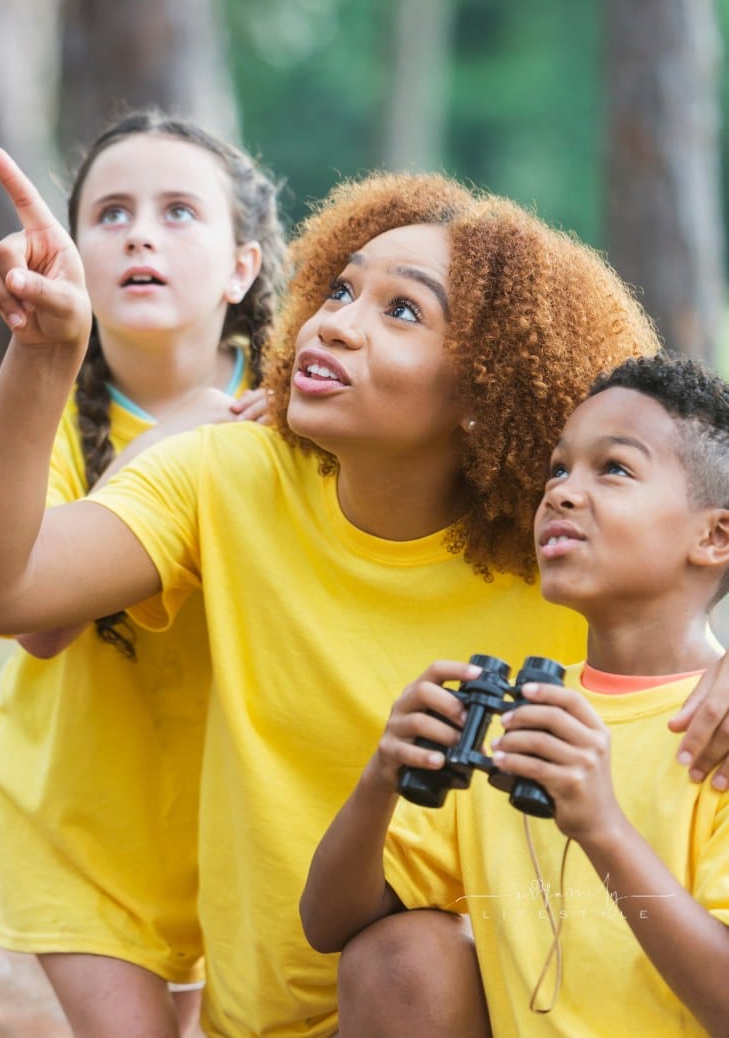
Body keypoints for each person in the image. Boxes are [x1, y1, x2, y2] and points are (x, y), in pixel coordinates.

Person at [0, 162, 729, 1038]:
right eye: (342, 289)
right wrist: (46, 356)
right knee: (396, 947)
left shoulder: (558, 545)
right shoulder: (226, 472)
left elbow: (686, 549)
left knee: (414, 948)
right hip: (280, 1000)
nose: (338, 324)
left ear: (486, 390)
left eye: (401, 310)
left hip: (484, 1008)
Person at [300, 352, 729, 1036]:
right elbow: (329, 925)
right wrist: (379, 779)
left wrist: (602, 827)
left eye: (613, 469)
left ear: (714, 537)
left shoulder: (718, 729)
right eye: (559, 469)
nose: (560, 492)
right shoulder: (516, 716)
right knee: (395, 951)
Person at [0, 109, 285, 1038]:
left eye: (179, 211)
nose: (140, 231)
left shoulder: (294, 407)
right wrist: (181, 435)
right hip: (79, 817)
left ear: (242, 266)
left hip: (241, 819)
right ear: (73, 253)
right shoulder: (45, 414)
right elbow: (39, 619)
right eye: (110, 214)